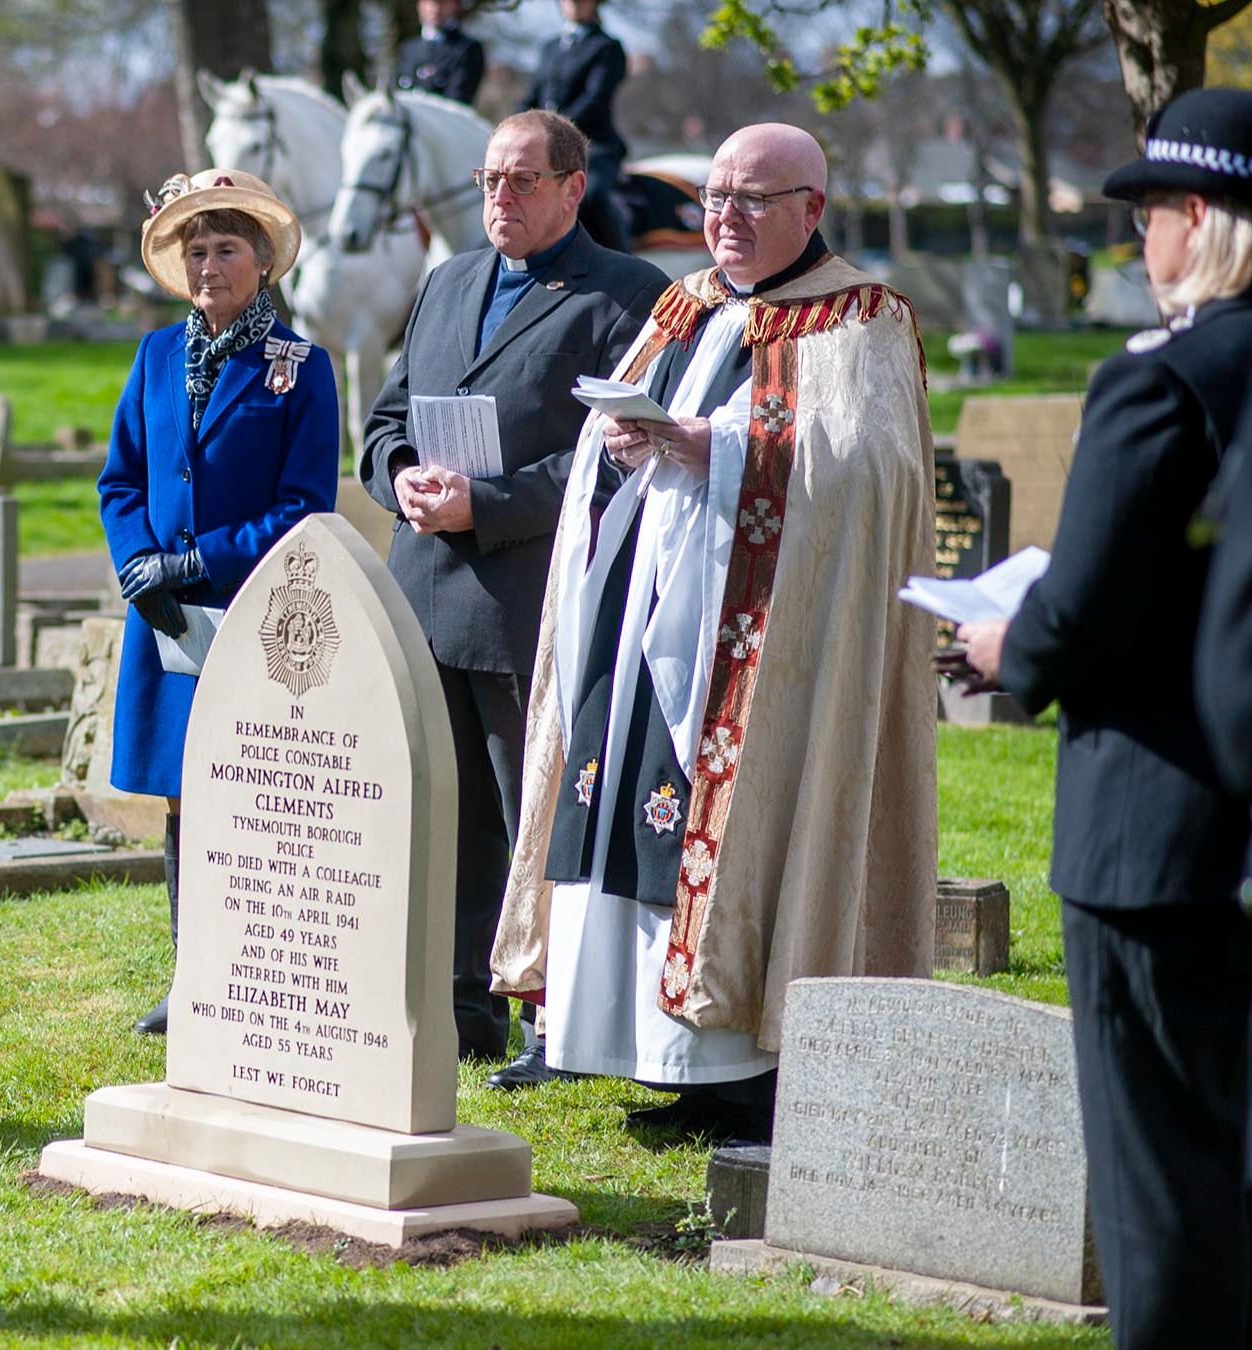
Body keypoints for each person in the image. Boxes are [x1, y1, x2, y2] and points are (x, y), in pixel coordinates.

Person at [490, 123, 937, 1141]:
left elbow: (875, 476)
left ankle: (735, 1069)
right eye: (714, 201)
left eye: (752, 201)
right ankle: (636, 1046)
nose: (724, 220)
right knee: (620, 806)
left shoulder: (858, 319)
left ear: (810, 210)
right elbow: (628, 433)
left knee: (715, 821)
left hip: (765, 645)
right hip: (640, 606)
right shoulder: (684, 303)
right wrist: (619, 437)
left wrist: (718, 446)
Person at [961, 87, 1252, 1350]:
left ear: (1199, 217)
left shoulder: (1163, 383)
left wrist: (998, 647)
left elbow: (1078, 613)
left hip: (1154, 832)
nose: (1141, 242)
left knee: (1160, 1181)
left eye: (1152, 216)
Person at [357, 109, 666, 1086]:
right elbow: (387, 416)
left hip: (531, 592)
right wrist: (400, 473)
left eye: (523, 180)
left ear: (574, 189)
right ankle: (458, 1004)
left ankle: (553, 1019)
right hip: (422, 589)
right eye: (491, 178)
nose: (500, 196)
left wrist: (483, 503)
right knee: (436, 810)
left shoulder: (628, 296)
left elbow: (612, 457)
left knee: (528, 807)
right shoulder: (446, 282)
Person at [100, 168, 340, 1035]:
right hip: (162, 620)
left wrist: (198, 556)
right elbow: (121, 477)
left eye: (227, 249)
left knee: (248, 792)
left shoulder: (302, 368)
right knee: (180, 796)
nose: (208, 265)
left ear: (264, 260)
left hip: (248, 614)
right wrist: (138, 560)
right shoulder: (157, 355)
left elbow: (305, 506)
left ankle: (256, 970)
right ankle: (190, 975)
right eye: (195, 250)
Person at [521, 0, 630, 250]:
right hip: (544, 143)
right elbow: (531, 95)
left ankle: (624, 264)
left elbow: (595, 100)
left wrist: (550, 130)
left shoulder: (607, 47)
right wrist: (514, 126)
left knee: (593, 196)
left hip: (593, 146)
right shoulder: (549, 47)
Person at [395, 0, 486, 105]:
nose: (434, 8)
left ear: (455, 5)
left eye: (442, 2)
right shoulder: (408, 49)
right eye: (428, 2)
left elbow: (456, 103)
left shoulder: (466, 49)